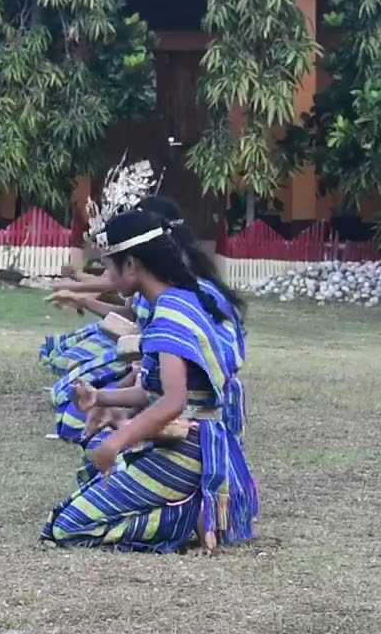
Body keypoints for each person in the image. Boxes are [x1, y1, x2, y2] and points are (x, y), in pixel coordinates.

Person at [40, 208, 257, 553]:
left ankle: (189, 514)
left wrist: (119, 441)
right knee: (90, 458)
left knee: (64, 528)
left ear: (132, 265)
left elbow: (172, 402)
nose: (106, 274)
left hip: (188, 448)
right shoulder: (177, 299)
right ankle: (189, 504)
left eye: (110, 263)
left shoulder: (170, 313)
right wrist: (100, 399)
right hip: (183, 440)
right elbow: (151, 390)